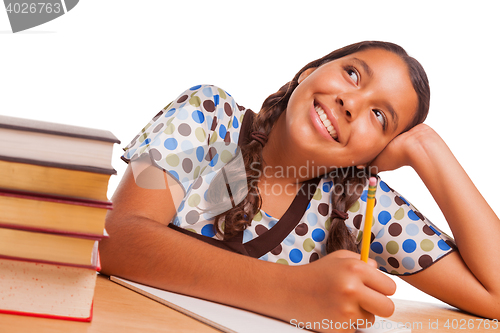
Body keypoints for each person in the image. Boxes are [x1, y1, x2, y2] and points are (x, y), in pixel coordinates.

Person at [99, 41, 500, 332]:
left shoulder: (358, 203)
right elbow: (118, 237)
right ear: (308, 73)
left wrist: (426, 148)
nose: (351, 104)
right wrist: (291, 292)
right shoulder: (207, 116)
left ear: (374, 155)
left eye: (379, 116)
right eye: (353, 74)